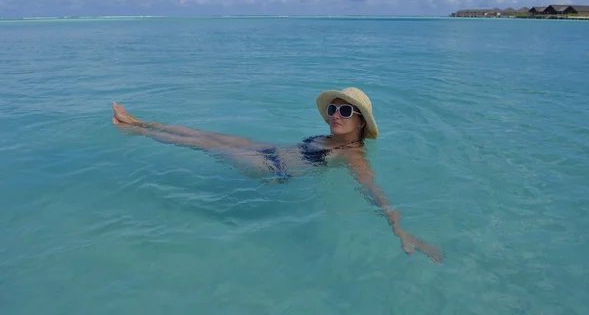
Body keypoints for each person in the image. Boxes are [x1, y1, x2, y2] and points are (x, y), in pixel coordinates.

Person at [111, 87, 443, 263]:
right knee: (207, 132)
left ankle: (134, 131)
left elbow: (373, 191)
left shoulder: (353, 154)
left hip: (273, 168)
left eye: (346, 111)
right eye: (333, 109)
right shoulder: (329, 137)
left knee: (203, 144)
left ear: (360, 122)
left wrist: (399, 229)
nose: (336, 115)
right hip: (270, 150)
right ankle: (139, 121)